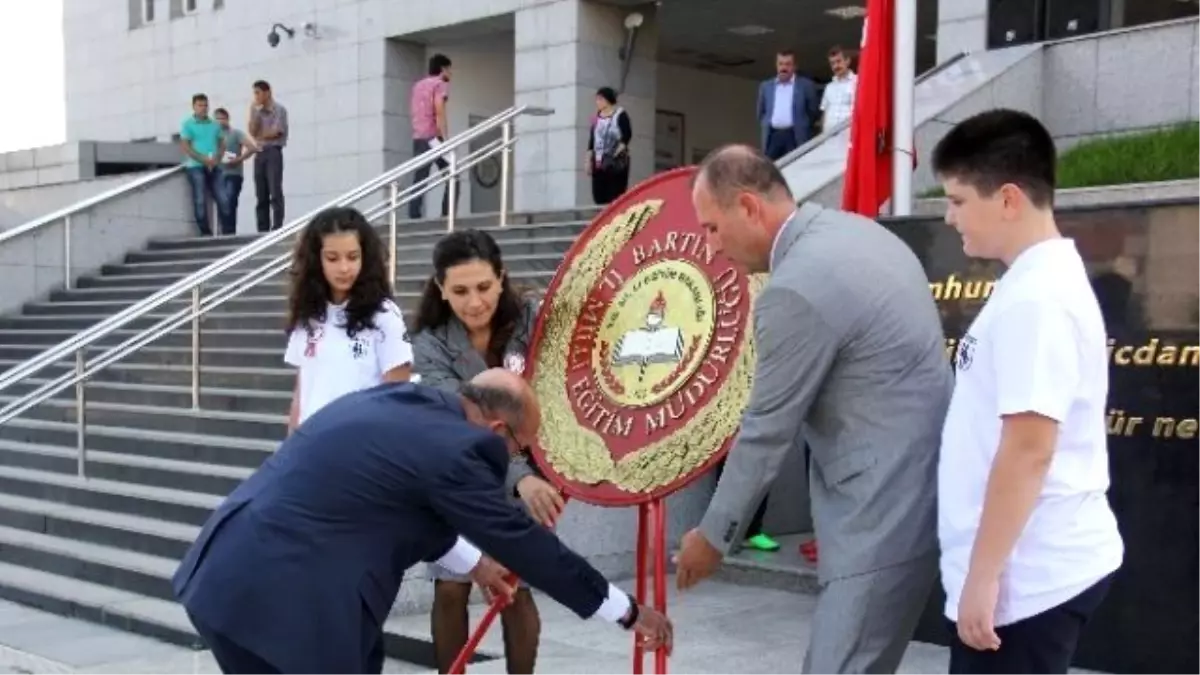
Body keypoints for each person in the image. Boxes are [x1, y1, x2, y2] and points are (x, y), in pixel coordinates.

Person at [172, 369, 674, 675]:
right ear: (499, 429)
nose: (517, 459)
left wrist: (475, 564)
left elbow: (405, 499)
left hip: (223, 576)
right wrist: (626, 612)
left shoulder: (403, 402)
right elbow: (526, 545)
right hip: (290, 607)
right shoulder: (463, 448)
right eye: (521, 448)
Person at [674, 145, 954, 674]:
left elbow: (764, 433)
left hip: (879, 515)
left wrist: (711, 536)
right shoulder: (858, 232)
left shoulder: (796, 289)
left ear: (750, 208)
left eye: (712, 228)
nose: (711, 248)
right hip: (917, 491)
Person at [931, 109, 1123, 675]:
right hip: (1020, 572)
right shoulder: (1032, 283)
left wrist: (982, 579)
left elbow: (1029, 448)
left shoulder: (1039, 299)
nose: (949, 217)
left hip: (1026, 583)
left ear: (1009, 199)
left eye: (960, 200)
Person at [411, 229, 559, 675]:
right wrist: (520, 475)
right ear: (440, 289)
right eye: (459, 291)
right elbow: (471, 421)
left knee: (515, 589)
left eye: (483, 287)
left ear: (502, 279)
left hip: (529, 476)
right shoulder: (428, 343)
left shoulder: (532, 319)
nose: (474, 302)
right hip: (458, 476)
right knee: (452, 588)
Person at [284, 206, 412, 433]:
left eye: (353, 257)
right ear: (317, 260)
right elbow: (301, 393)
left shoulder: (383, 314)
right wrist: (289, 448)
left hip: (359, 446)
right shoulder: (308, 315)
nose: (344, 268)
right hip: (309, 445)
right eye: (332, 258)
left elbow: (398, 396)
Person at [408, 53, 457, 220]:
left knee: (420, 179)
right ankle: (447, 214)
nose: (451, 73)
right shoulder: (440, 84)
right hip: (434, 138)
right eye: (450, 69)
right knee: (453, 175)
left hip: (418, 137)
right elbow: (439, 111)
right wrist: (446, 139)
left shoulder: (418, 86)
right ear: (443, 69)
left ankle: (414, 216)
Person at [756, 51, 819, 160]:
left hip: (795, 135)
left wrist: (802, 124)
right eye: (781, 64)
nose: (784, 67)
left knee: (796, 167)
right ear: (776, 65)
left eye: (788, 64)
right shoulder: (766, 86)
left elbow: (813, 112)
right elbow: (761, 112)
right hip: (773, 135)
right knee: (770, 170)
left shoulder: (806, 85)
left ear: (795, 66)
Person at [179, 93, 224, 237]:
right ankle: (206, 232)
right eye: (200, 105)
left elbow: (222, 143)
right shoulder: (187, 124)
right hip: (195, 166)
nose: (203, 108)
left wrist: (217, 158)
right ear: (194, 106)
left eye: (205, 105)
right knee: (200, 200)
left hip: (214, 166)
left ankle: (227, 230)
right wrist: (203, 159)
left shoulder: (214, 124)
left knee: (224, 198)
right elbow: (186, 146)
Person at [248, 80, 288, 232]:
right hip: (259, 152)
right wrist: (255, 112)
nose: (256, 96)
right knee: (261, 192)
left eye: (258, 93)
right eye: (254, 93)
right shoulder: (256, 110)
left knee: (274, 189)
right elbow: (252, 131)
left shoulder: (279, 110)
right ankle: (262, 228)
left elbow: (276, 132)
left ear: (267, 92)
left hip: (273, 151)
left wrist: (261, 135)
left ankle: (277, 226)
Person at [215, 107, 259, 236]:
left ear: (227, 119)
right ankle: (224, 231)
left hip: (233, 174)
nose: (219, 121)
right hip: (218, 175)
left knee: (230, 201)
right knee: (222, 204)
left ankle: (229, 232)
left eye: (221, 118)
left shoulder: (235, 133)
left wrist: (239, 159)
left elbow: (252, 147)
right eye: (216, 119)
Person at [586, 87, 632, 205]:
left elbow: (626, 136)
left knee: (615, 194)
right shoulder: (596, 117)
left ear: (608, 100)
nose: (598, 102)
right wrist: (588, 161)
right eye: (597, 99)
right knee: (599, 196)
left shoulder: (620, 114)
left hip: (615, 161)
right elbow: (592, 140)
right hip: (599, 161)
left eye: (600, 99)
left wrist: (615, 154)